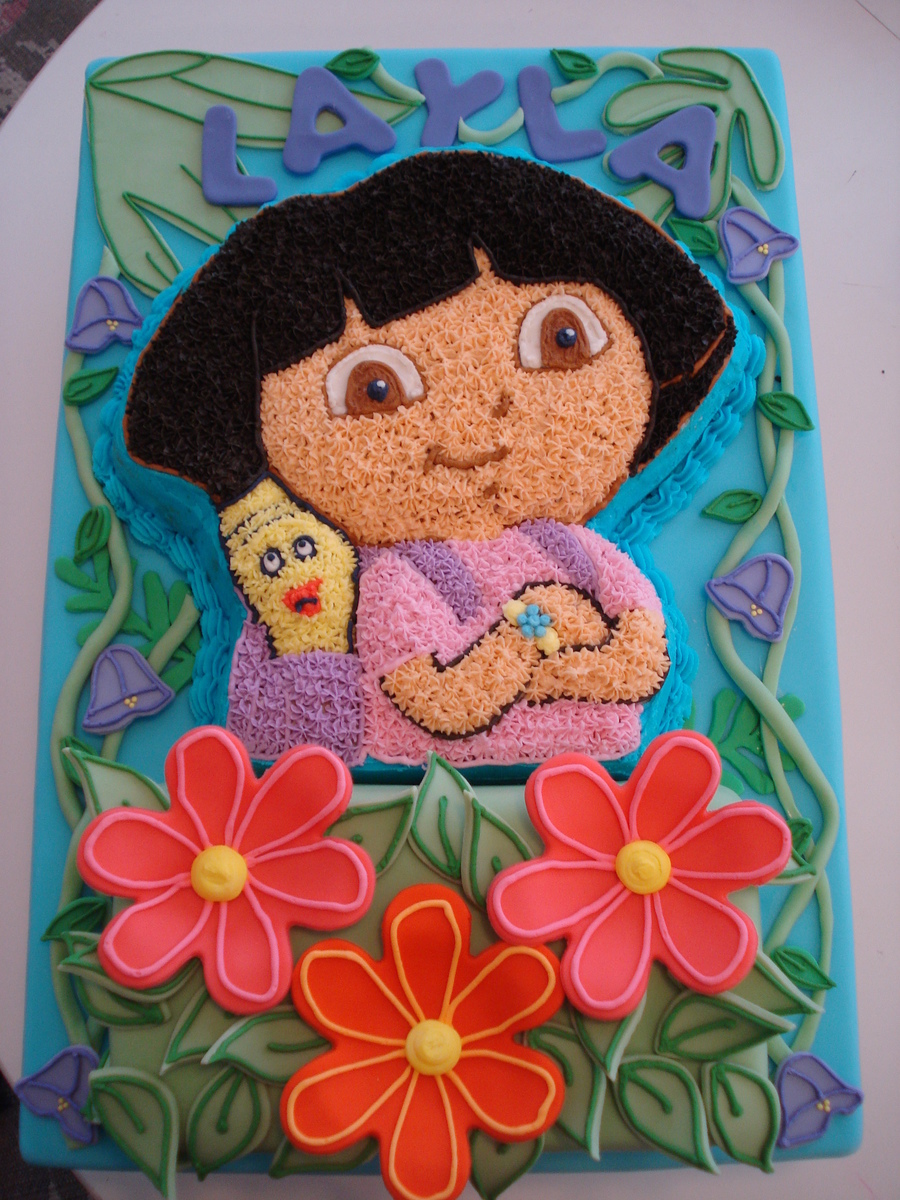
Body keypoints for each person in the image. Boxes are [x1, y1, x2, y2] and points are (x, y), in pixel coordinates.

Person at [123, 151, 738, 767]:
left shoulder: (578, 551)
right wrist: (527, 644)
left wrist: (563, 668)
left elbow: (642, 654)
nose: (480, 413)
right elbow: (438, 701)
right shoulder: (396, 581)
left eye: (561, 337)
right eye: (374, 389)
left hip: (603, 780)